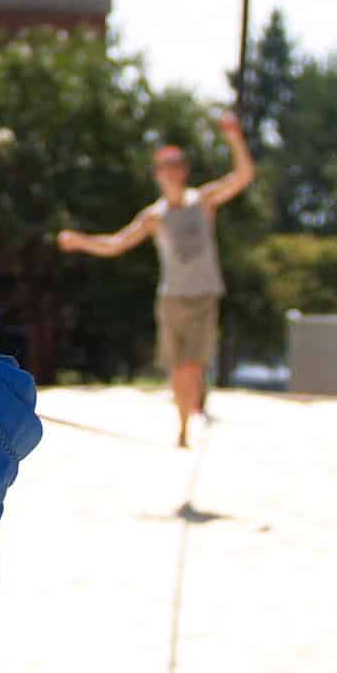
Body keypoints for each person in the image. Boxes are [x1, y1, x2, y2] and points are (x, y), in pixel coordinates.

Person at [55, 112, 256, 449]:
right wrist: (81, 242)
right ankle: (182, 427)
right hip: (172, 297)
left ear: (185, 170)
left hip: (204, 294)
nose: (173, 170)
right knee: (179, 366)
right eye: (166, 165)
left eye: (178, 163)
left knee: (194, 364)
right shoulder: (155, 216)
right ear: (158, 174)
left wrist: (234, 137)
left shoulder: (203, 200)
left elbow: (244, 175)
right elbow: (115, 243)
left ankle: (192, 410)